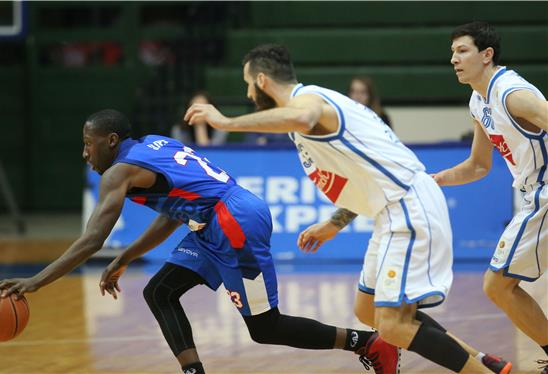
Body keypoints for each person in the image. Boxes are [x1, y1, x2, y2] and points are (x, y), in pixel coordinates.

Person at [0, 109, 403, 374]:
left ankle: (368, 343)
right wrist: (127, 258)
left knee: (265, 327)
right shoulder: (153, 144)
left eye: (88, 144)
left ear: (112, 141)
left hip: (233, 221)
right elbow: (172, 213)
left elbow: (91, 240)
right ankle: (194, 372)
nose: (85, 153)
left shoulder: (118, 173)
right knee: (160, 291)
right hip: (209, 222)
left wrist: (36, 282)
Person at [185, 44, 512, 373]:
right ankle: (485, 361)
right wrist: (334, 224)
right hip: (390, 209)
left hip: (408, 206)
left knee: (393, 326)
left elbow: (301, 116)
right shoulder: (312, 117)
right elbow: (363, 180)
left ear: (262, 81)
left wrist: (225, 122)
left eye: (247, 84)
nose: (247, 92)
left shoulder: (308, 102)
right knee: (368, 310)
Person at [432, 21, 548, 372]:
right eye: (452, 52)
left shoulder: (512, 93)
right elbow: (479, 166)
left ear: (487, 55)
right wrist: (433, 180)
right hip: (532, 193)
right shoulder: (477, 101)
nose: (454, 59)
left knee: (498, 285)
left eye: (462, 51)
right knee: (499, 287)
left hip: (545, 192)